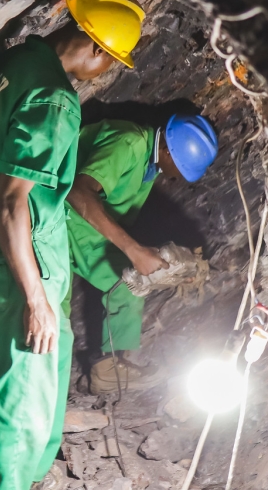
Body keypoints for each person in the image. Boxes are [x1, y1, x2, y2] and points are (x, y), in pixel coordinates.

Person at [0, 0, 145, 490]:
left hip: (2, 239)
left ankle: (21, 476)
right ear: (95, 47)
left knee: (53, 356)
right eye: (111, 60)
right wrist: (36, 297)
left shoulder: (20, 60)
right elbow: (14, 200)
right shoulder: (57, 101)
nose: (105, 71)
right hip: (21, 255)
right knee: (25, 385)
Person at [65, 114, 219, 394]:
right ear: (167, 150)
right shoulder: (129, 143)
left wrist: (168, 270)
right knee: (53, 311)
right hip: (63, 219)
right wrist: (133, 250)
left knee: (132, 283)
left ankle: (109, 369)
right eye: (180, 168)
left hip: (82, 228)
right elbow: (78, 192)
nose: (178, 177)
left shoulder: (149, 163)